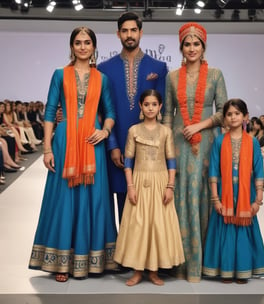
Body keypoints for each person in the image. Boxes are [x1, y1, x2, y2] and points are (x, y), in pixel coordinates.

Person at [28, 27, 117, 282]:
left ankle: (90, 260)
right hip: (65, 142)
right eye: (77, 43)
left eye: (87, 42)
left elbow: (110, 111)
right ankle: (62, 262)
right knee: (64, 199)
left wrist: (105, 131)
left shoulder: (102, 79)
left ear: (93, 47)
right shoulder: (60, 75)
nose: (82, 47)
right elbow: (49, 113)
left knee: (94, 200)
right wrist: (46, 148)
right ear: (71, 47)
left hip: (93, 143)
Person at [162, 22, 228, 282]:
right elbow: (168, 113)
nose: (192, 49)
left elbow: (223, 111)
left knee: (204, 196)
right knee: (180, 198)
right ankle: (180, 263)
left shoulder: (215, 74)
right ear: (181, 47)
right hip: (178, 143)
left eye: (196, 44)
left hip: (207, 143)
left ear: (203, 47)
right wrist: (166, 146)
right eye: (187, 44)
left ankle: (206, 264)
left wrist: (199, 124)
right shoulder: (171, 77)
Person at [98, 12, 168, 224]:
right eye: (125, 31)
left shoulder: (158, 68)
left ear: (141, 32)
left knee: (147, 201)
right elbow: (103, 111)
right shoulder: (104, 69)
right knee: (120, 196)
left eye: (133, 30)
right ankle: (120, 252)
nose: (129, 35)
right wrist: (112, 146)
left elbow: (161, 114)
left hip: (148, 149)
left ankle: (142, 254)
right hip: (116, 145)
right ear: (118, 34)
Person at [114, 89, 185, 286]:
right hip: (138, 182)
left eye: (154, 104)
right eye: (146, 104)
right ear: (140, 106)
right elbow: (128, 161)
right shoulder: (134, 131)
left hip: (161, 182)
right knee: (138, 225)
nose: (150, 108)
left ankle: (154, 271)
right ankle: (137, 271)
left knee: (157, 225)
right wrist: (130, 186)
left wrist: (170, 186)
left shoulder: (166, 132)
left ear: (160, 106)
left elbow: (171, 160)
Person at [202, 98, 264, 284]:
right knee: (224, 230)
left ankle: (243, 271)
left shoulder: (253, 142)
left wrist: (258, 200)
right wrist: (216, 199)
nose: (233, 117)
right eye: (229, 114)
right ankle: (225, 271)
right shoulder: (219, 141)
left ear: (245, 116)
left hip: (245, 196)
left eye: (237, 114)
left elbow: (258, 171)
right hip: (224, 195)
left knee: (242, 232)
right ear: (224, 118)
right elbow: (213, 170)